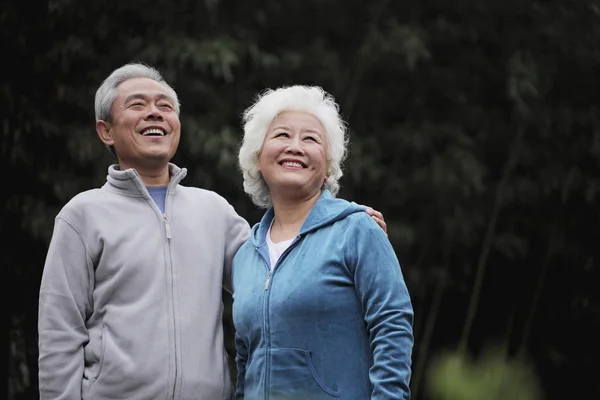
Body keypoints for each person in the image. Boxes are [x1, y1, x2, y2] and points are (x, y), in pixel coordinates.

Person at [37, 62, 387, 399]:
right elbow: (60, 334)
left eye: (165, 106)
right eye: (137, 105)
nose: (155, 113)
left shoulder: (213, 211)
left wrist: (342, 228)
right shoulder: (82, 216)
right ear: (106, 131)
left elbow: (275, 274)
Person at [233, 85, 414, 399]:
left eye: (310, 139)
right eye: (281, 136)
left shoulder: (357, 230)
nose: (295, 147)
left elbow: (392, 326)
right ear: (257, 157)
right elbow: (245, 357)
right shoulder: (245, 256)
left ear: (328, 164)